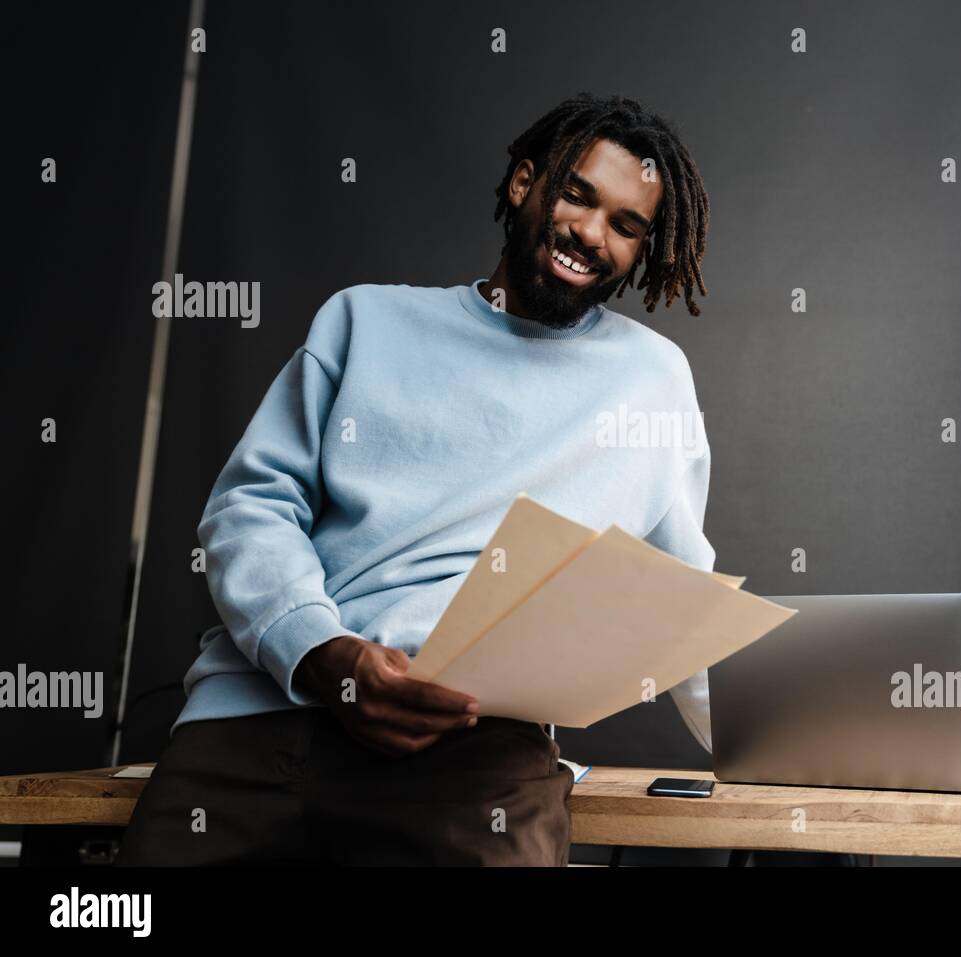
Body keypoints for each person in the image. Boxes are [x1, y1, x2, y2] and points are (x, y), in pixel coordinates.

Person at [115, 92, 716, 866]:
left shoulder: (652, 382)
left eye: (627, 226)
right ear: (524, 183)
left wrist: (794, 747)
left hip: (476, 747)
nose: (592, 234)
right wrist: (324, 654)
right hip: (263, 718)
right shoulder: (364, 321)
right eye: (577, 194)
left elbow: (684, 605)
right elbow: (249, 507)